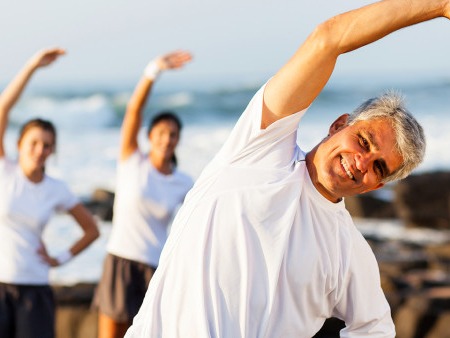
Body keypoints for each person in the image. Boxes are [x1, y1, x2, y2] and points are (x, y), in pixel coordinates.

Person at [124, 1, 450, 337]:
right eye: (364, 141)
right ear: (339, 125)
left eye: (379, 167)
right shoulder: (259, 148)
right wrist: (438, 6)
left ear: (375, 187)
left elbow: (376, 328)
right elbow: (328, 39)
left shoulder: (348, 251)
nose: (361, 162)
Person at [0, 48, 100, 338]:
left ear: (52, 150)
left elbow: (91, 230)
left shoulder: (57, 189)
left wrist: (60, 258)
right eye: (33, 143)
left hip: (36, 288)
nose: (39, 150)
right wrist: (32, 66)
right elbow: (3, 108)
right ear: (19, 144)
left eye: (46, 145)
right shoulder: (5, 172)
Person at [94, 50, 194, 338]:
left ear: (178, 141)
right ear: (150, 136)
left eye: (173, 135)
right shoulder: (131, 161)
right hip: (120, 260)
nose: (166, 139)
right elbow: (134, 111)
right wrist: (154, 70)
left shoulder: (182, 181)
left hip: (155, 268)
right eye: (161, 133)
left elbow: (201, 217)